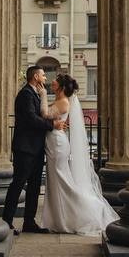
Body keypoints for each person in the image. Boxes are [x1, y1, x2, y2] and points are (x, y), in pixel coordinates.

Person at [40, 73, 119, 234]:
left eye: (55, 80)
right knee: (56, 180)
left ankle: (87, 208)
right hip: (54, 142)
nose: (51, 81)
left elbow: (44, 114)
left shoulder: (63, 102)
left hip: (57, 143)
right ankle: (60, 218)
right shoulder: (60, 100)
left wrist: (42, 95)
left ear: (61, 86)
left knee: (61, 179)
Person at [2, 66, 66, 235]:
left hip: (36, 148)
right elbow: (31, 119)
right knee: (18, 184)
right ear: (36, 77)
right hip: (25, 148)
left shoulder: (35, 94)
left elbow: (41, 115)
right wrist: (52, 125)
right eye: (43, 75)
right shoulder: (25, 94)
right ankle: (6, 221)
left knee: (35, 187)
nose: (45, 78)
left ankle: (29, 222)